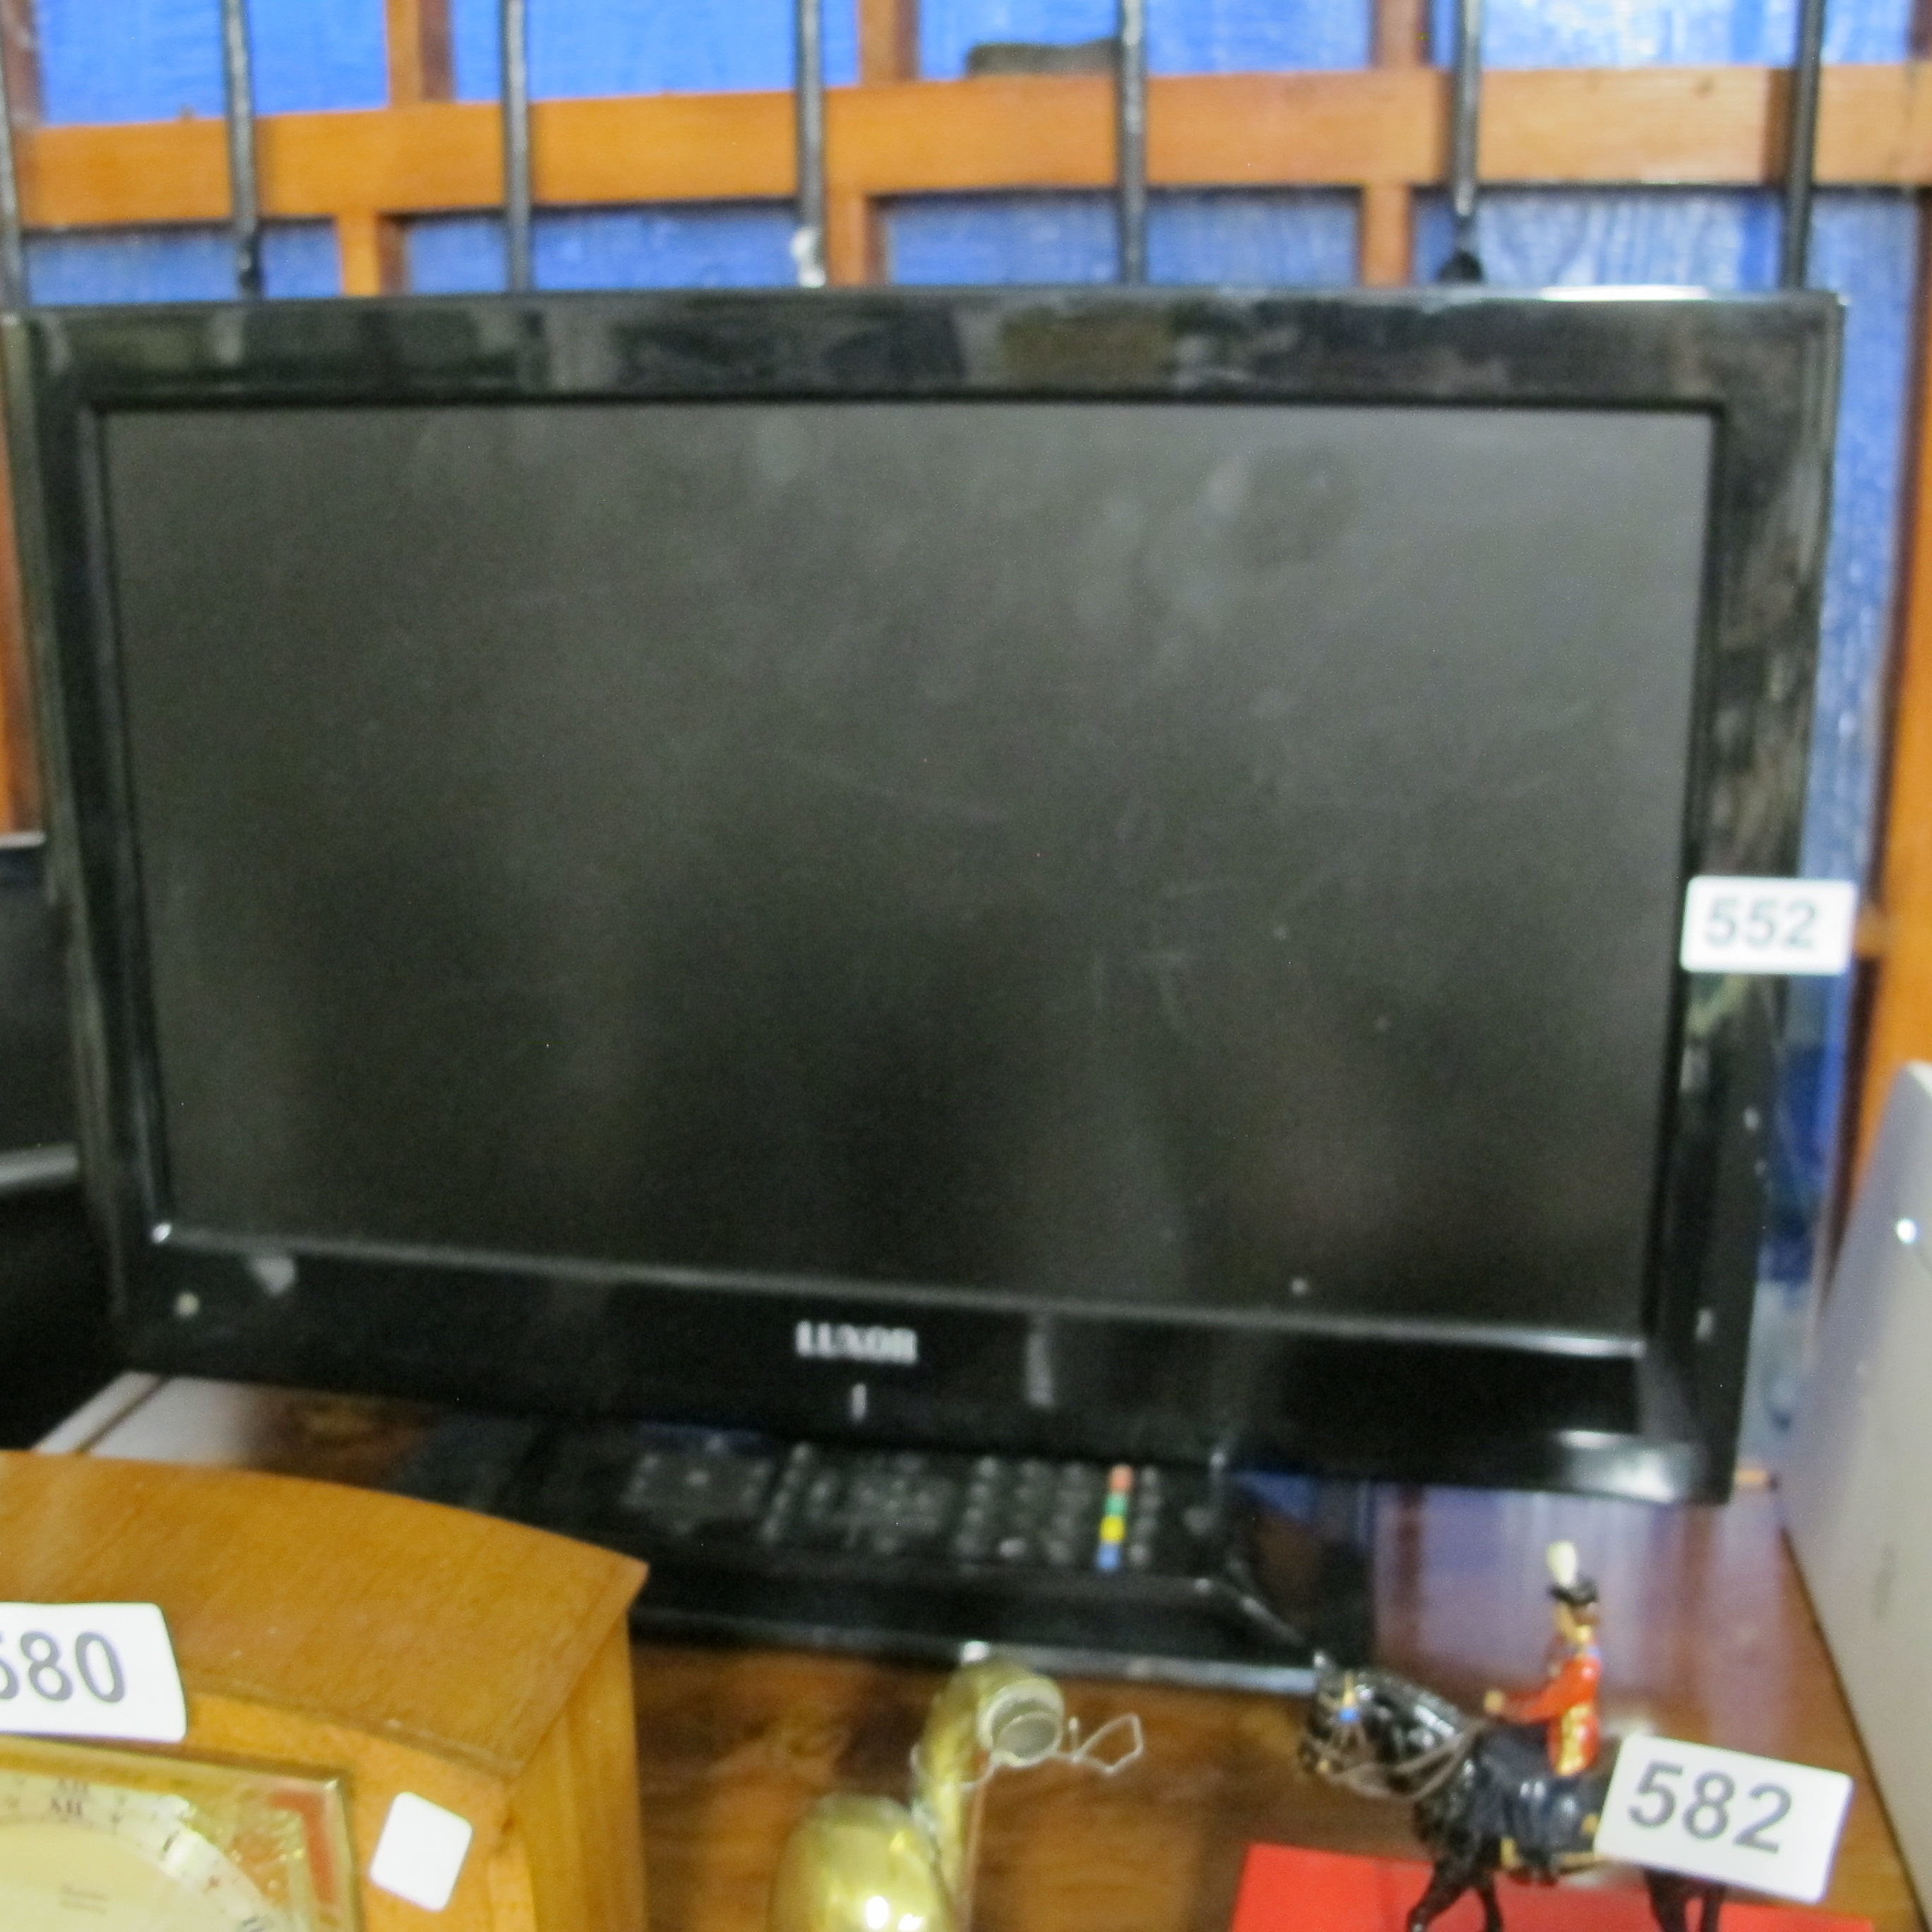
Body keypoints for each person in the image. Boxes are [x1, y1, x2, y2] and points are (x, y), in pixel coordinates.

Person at [1481, 1539, 1602, 1776]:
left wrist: (1505, 1707)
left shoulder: (1583, 1666)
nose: (1554, 1615)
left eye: (1559, 1611)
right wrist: (1509, 1699)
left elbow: (1545, 1704)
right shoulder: (1565, 1647)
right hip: (1552, 1722)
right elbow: (1546, 1692)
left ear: (1571, 1616)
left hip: (1568, 1739)